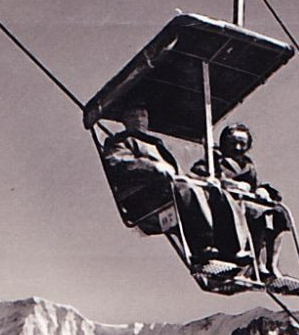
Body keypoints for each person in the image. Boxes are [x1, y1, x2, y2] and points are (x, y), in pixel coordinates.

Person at [100, 107, 244, 275]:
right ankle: (203, 247)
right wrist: (152, 166)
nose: (139, 119)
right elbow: (117, 162)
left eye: (143, 115)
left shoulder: (156, 144)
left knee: (216, 192)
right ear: (124, 121)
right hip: (146, 198)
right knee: (188, 189)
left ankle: (232, 249)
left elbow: (179, 175)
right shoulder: (120, 142)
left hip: (170, 190)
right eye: (133, 115)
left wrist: (206, 181)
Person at [195, 123, 290, 279]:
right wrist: (225, 182)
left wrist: (262, 190)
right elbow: (199, 176)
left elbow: (255, 185)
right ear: (224, 143)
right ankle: (254, 261)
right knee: (257, 212)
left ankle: (270, 264)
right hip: (226, 207)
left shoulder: (248, 165)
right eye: (233, 143)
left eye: (242, 144)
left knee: (277, 214)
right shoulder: (214, 160)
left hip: (247, 202)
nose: (238, 147)